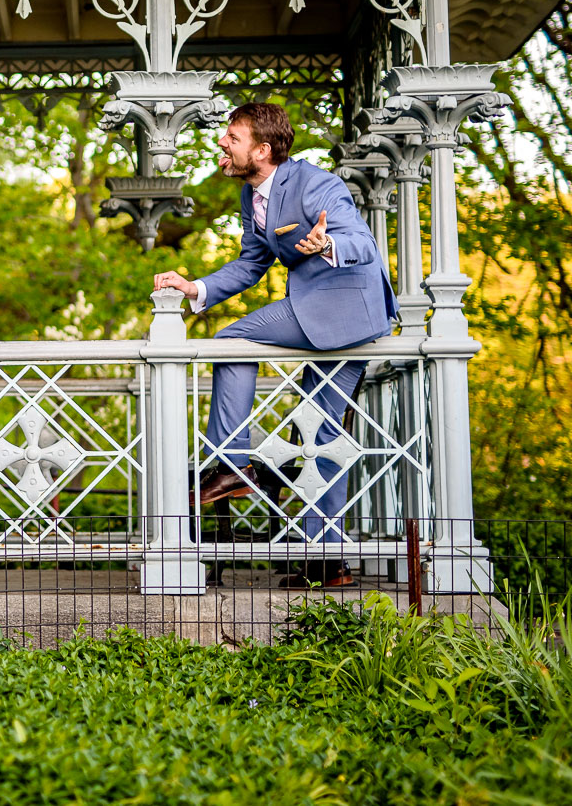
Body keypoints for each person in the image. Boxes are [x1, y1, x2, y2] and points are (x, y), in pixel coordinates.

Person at [152, 102, 396, 588]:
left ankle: (231, 462)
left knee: (232, 340)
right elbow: (250, 265)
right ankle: (326, 565)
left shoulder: (312, 183)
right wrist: (193, 287)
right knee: (319, 435)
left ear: (262, 150)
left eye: (233, 138)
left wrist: (326, 245)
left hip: (340, 307)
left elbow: (362, 245)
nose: (223, 143)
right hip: (336, 318)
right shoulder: (252, 197)